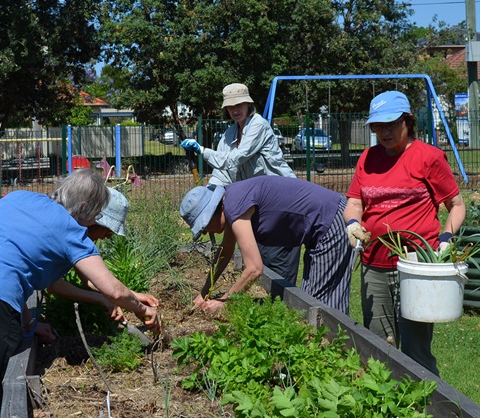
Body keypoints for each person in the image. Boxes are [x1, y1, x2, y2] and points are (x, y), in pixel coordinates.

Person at [0, 169, 161, 403]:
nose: (97, 222)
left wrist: (27, 322)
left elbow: (16, 265)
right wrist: (143, 310)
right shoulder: (70, 231)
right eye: (97, 214)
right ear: (85, 207)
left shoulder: (21, 197)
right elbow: (112, 289)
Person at [343, 90, 465, 376]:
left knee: (415, 349)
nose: (384, 132)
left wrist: (445, 239)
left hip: (415, 267)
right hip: (375, 264)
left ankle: (426, 404)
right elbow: (354, 201)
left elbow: (456, 205)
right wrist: (352, 222)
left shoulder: (429, 157)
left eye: (391, 124)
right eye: (378, 125)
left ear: (407, 122)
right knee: (376, 346)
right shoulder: (367, 158)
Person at [180, 83, 301, 285]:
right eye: (230, 106)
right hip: (260, 204)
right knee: (263, 262)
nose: (235, 110)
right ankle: (273, 307)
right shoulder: (229, 135)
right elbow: (222, 175)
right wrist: (206, 202)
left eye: (240, 105)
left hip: (284, 200)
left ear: (248, 104)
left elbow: (236, 159)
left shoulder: (258, 126)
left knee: (279, 264)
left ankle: (287, 308)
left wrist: (202, 150)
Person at [180, 175, 354, 314]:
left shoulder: (234, 206)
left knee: (322, 308)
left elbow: (254, 269)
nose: (204, 232)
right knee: (313, 303)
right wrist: (204, 293)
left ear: (212, 213)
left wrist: (226, 302)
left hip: (331, 221)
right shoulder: (230, 200)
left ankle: (341, 354)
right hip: (323, 224)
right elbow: (225, 252)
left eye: (203, 226)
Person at [29, 187, 159, 344]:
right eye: (109, 229)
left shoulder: (70, 230)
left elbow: (91, 280)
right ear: (94, 219)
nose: (109, 236)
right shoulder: (67, 234)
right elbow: (55, 286)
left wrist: (133, 296)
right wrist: (137, 307)